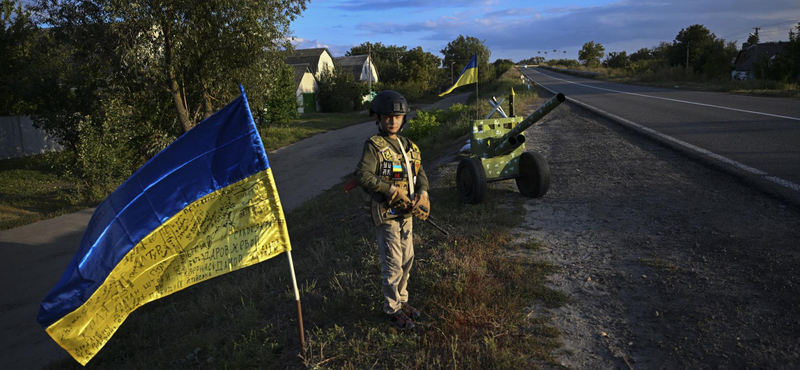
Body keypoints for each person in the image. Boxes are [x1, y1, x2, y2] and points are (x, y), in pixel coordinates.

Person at [355, 90, 430, 330]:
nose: (392, 121)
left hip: (407, 213)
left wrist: (424, 193)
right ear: (377, 117)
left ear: (404, 118)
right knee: (392, 261)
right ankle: (391, 309)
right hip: (385, 213)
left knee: (408, 259)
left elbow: (420, 174)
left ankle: (402, 300)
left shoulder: (410, 146)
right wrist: (390, 191)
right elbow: (363, 175)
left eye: (397, 117)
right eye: (387, 116)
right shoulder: (374, 146)